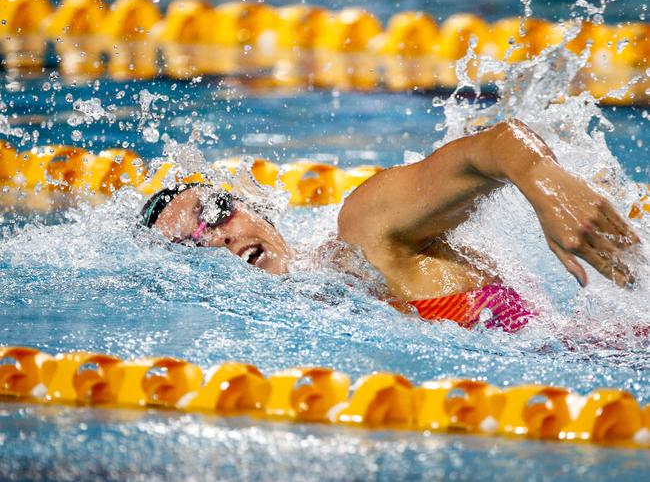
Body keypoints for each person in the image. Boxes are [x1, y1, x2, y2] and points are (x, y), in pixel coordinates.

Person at [140, 119, 641, 332]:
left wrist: (543, 182)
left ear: (253, 207)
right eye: (192, 246)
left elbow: (495, 145)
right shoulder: (315, 314)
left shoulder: (363, 231)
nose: (218, 238)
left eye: (214, 213)